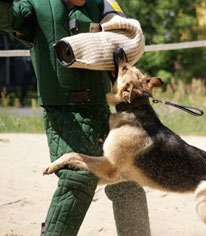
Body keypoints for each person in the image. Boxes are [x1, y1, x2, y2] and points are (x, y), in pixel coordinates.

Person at [0, 0, 151, 235]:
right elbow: (7, 19)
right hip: (62, 113)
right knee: (78, 176)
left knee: (128, 178)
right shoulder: (35, 6)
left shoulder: (104, 5)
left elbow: (128, 38)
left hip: (100, 110)